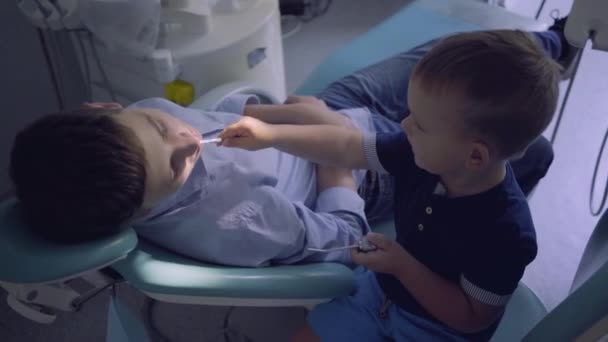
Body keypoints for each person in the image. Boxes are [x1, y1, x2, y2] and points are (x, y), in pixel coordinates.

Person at [219, 27, 570, 340]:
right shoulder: (419, 152)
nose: (403, 125)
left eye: (419, 123)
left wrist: (403, 266)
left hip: (434, 329)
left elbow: (471, 317)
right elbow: (346, 146)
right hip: (377, 295)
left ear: (475, 157)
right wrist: (271, 134)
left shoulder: (506, 233)